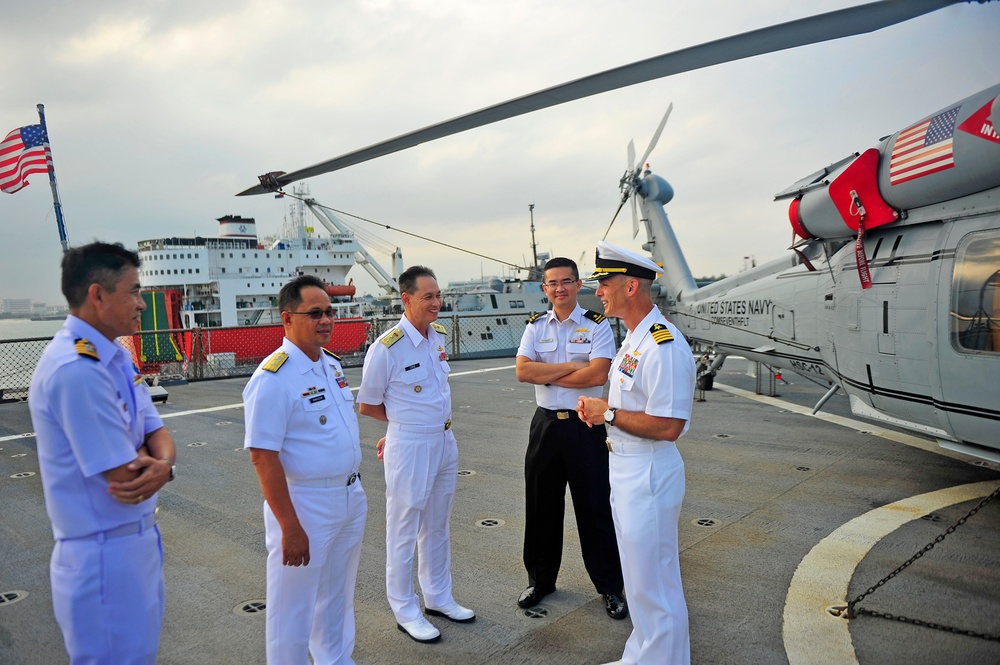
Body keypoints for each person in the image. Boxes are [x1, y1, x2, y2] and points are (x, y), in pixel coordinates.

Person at [29, 241, 177, 665]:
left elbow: (158, 432)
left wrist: (163, 464)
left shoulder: (115, 359)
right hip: (102, 555)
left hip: (134, 545)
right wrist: (161, 466)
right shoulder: (76, 370)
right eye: (132, 291)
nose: (141, 304)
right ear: (97, 295)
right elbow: (126, 477)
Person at [577, 241, 696, 665]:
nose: (599, 292)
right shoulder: (633, 340)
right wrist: (606, 415)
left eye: (604, 283)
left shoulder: (662, 345)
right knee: (639, 578)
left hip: (648, 472)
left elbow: (669, 426)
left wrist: (605, 411)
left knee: (656, 584)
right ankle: (641, 656)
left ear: (631, 287)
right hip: (626, 469)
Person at [244, 275, 367, 664]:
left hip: (349, 495)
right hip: (305, 503)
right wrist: (289, 526)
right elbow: (263, 456)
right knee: (291, 607)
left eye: (330, 311)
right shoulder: (272, 378)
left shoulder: (329, 365)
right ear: (287, 319)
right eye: (315, 313)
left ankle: (334, 658)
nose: (327, 319)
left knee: (337, 594)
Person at [357, 265, 475, 644]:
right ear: (406, 299)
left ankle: (438, 596)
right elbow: (369, 404)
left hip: (444, 441)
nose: (437, 303)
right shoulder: (387, 347)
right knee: (404, 528)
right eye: (429, 297)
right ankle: (404, 607)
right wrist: (401, 428)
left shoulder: (435, 337)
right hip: (410, 444)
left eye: (438, 295)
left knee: (437, 525)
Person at [514, 257, 627, 620]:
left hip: (585, 426)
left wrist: (545, 373)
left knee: (595, 508)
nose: (559, 288)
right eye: (552, 283)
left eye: (566, 281)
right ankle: (541, 581)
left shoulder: (597, 326)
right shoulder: (535, 326)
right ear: (544, 288)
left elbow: (597, 374)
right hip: (545, 426)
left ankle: (610, 587)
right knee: (541, 507)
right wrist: (573, 368)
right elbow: (522, 371)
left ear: (579, 285)